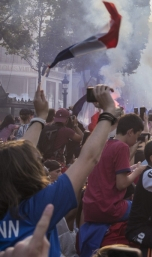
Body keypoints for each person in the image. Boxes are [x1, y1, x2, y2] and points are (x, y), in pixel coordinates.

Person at [0, 84, 123, 257]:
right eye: (38, 162)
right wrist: (108, 112)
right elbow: (88, 158)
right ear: (28, 173)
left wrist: (40, 118)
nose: (41, 163)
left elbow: (20, 156)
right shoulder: (41, 205)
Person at [82, 114, 145, 224]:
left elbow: (109, 171)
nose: (136, 140)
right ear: (130, 132)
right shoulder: (122, 147)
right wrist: (138, 171)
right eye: (137, 135)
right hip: (108, 208)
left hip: (90, 206)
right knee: (143, 208)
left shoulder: (105, 144)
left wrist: (130, 168)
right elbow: (121, 184)